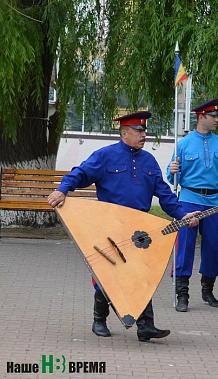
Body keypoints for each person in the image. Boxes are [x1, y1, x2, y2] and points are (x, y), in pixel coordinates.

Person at [47, 111, 199, 341]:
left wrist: (183, 215)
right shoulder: (105, 156)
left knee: (141, 274)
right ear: (124, 133)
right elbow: (80, 173)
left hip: (139, 229)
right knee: (107, 273)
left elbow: (165, 195)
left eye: (144, 131)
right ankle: (100, 319)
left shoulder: (149, 161)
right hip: (109, 225)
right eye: (138, 131)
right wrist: (62, 189)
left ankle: (145, 326)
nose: (143, 134)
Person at [167, 98, 218, 312]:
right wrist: (172, 172)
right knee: (185, 248)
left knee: (213, 248)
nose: (217, 119)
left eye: (217, 116)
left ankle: (208, 290)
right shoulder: (183, 144)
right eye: (213, 116)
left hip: (213, 203)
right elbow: (172, 180)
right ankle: (182, 294)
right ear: (201, 117)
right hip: (188, 200)